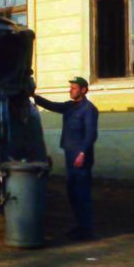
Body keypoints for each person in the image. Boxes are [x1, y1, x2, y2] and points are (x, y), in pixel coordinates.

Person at [32, 76, 99, 240]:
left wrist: (82, 153)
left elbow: (91, 134)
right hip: (70, 154)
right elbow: (52, 105)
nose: (71, 90)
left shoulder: (89, 109)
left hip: (80, 157)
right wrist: (34, 96)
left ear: (83, 90)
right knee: (72, 192)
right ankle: (80, 226)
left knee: (81, 192)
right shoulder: (70, 106)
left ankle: (86, 229)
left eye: (74, 88)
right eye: (71, 87)